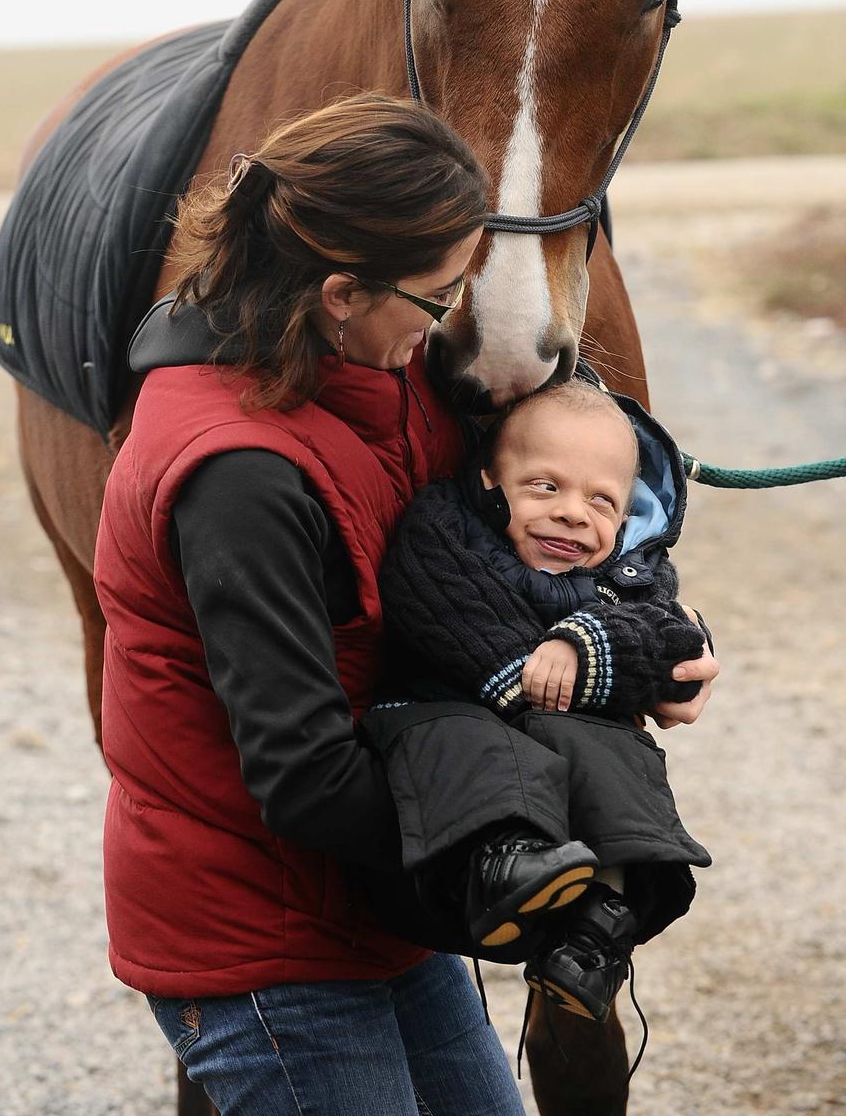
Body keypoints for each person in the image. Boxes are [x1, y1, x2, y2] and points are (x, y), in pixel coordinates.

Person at [93, 92, 529, 1116]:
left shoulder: (372, 380)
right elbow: (301, 775)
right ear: (339, 292)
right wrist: (514, 843)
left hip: (368, 905)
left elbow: (492, 553)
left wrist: (632, 648)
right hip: (260, 940)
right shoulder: (238, 477)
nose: (443, 329)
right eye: (433, 298)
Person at [373, 377, 716, 1029]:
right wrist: (602, 671)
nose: (572, 513)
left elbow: (674, 643)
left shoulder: (632, 574)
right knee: (477, 741)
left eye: (601, 501)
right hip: (443, 721)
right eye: (545, 487)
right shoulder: (447, 531)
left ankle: (596, 933)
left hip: (549, 743)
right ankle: (507, 868)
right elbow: (506, 672)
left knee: (619, 757)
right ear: (489, 482)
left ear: (626, 517)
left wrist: (586, 643)